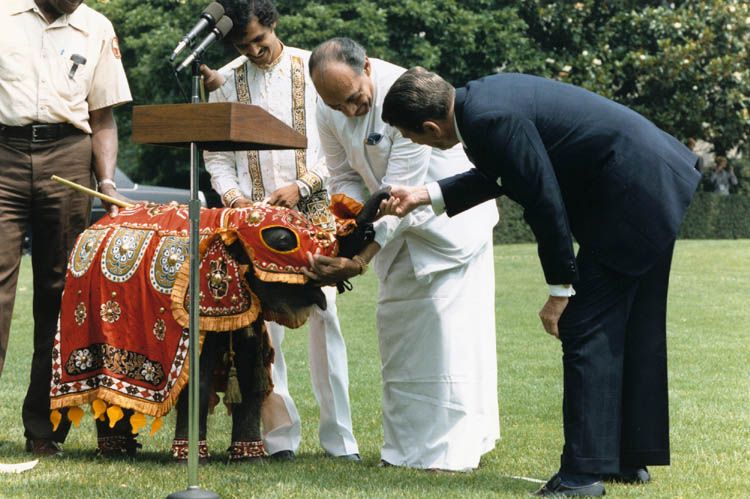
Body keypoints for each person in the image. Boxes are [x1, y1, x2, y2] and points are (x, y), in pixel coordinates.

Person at [380, 68, 701, 495]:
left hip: (632, 193)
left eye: (414, 137)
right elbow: (510, 173)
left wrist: (560, 290)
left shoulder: (488, 122)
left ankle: (581, 476)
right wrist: (426, 194)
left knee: (583, 325)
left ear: (431, 127)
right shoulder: (482, 100)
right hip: (652, 178)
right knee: (631, 322)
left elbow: (543, 201)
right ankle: (627, 458)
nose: (419, 144)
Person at [304, 38, 500, 471]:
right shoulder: (329, 106)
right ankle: (404, 449)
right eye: (337, 106)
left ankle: (452, 451)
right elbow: (343, 177)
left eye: (355, 99)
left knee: (449, 340)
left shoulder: (402, 96)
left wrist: (361, 257)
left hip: (447, 225)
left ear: (368, 68)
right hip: (393, 236)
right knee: (398, 340)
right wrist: (346, 227)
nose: (349, 112)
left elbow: (402, 194)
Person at [200, 0, 359, 461]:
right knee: (263, 334)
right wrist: (236, 203)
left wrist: (301, 185)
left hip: (311, 216)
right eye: (243, 45)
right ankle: (278, 439)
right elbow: (216, 156)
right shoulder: (225, 79)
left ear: (273, 25)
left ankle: (340, 440)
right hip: (251, 224)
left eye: (259, 40)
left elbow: (338, 147)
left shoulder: (313, 71)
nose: (254, 51)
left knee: (325, 326)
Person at [0, 0, 131, 457]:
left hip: (70, 158)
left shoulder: (96, 27)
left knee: (60, 294)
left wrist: (107, 183)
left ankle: (43, 427)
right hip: (5, 154)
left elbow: (103, 118)